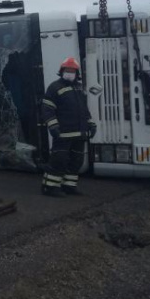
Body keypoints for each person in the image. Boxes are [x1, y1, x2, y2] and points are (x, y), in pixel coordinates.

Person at [41, 57, 96, 196]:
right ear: (61, 71)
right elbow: (47, 108)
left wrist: (91, 123)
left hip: (79, 133)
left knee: (76, 161)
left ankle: (69, 186)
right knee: (59, 160)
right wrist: (53, 126)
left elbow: (84, 109)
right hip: (63, 133)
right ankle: (50, 187)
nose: (70, 73)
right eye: (67, 70)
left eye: (72, 71)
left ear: (77, 73)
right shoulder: (55, 87)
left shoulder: (79, 88)